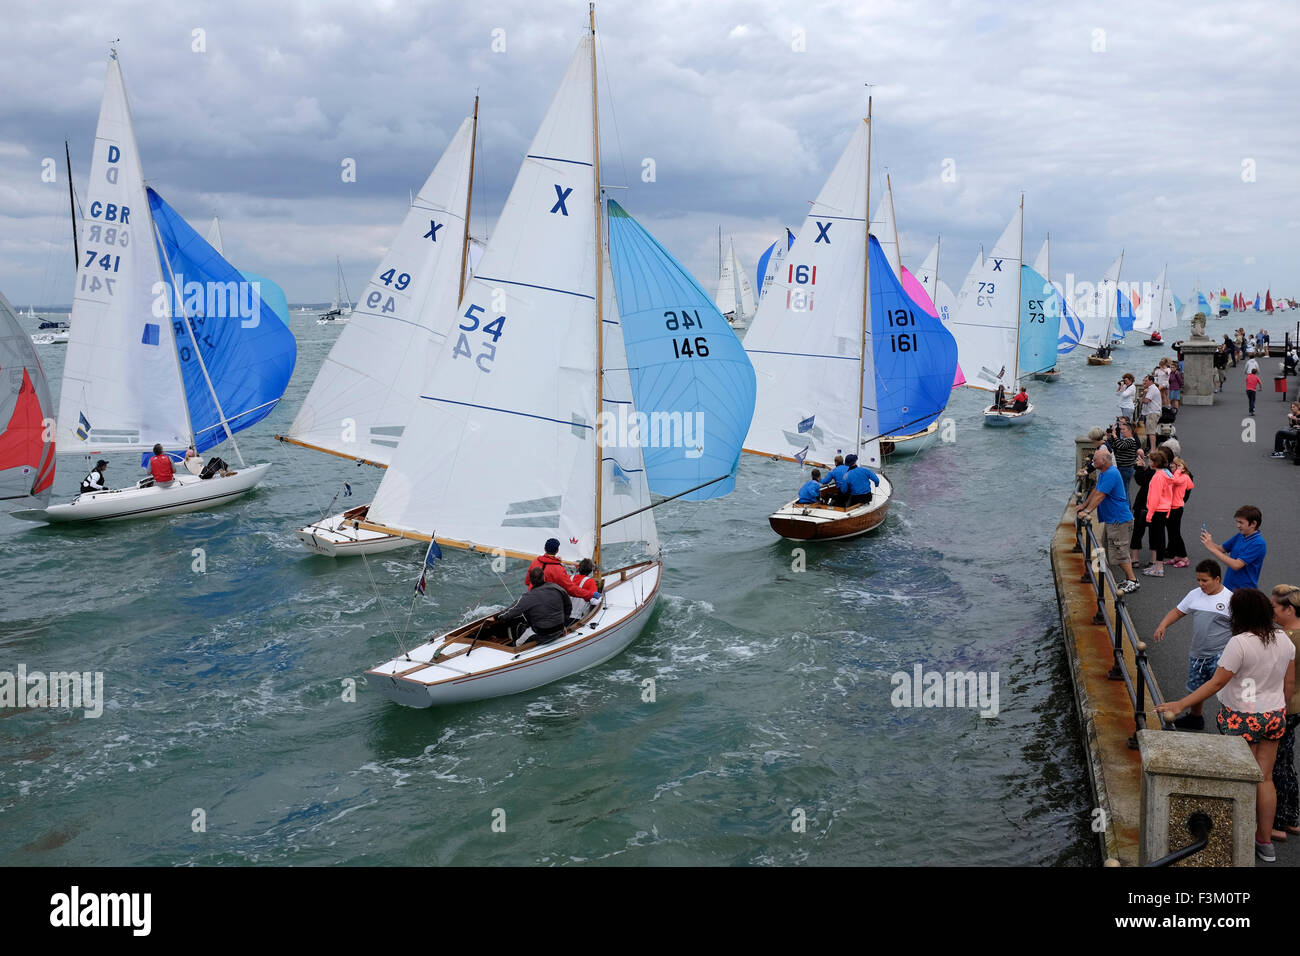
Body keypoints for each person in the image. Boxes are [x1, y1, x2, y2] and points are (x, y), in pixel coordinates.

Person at [1157, 589, 1295, 863]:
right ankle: (1264, 842)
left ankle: (1233, 838)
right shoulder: (1283, 639)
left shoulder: (1240, 643)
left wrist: (1181, 704)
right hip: (1274, 714)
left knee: (1238, 777)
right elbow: (1288, 684)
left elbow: (1216, 682)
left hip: (1241, 715)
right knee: (1265, 779)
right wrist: (1281, 711)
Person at [1151, 560, 1233, 729]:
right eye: (1198, 580)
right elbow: (1178, 611)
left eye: (1205, 580)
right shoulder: (1195, 594)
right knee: (1195, 689)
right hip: (1198, 653)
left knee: (1225, 690)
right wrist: (1163, 625)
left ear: (1217, 579)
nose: (1201, 584)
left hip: (1221, 653)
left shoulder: (1230, 600)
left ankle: (1230, 722)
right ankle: (1196, 718)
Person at [1076, 445, 1139, 594]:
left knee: (1120, 550)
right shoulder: (1104, 473)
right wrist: (1084, 505)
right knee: (1105, 547)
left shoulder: (1111, 473)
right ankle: (1101, 575)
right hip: (1113, 519)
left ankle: (1133, 580)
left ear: (1104, 461)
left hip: (1119, 520)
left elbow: (1101, 495)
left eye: (1095, 459)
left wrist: (1087, 511)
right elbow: (1096, 490)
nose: (1093, 461)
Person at [1270, 584, 1300, 842]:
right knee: (1286, 760)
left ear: (1288, 609)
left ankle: (1276, 821)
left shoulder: (1287, 638)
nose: (1271, 613)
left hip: (1284, 706)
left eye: (1274, 608)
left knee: (1275, 765)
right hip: (1296, 707)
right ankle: (1291, 817)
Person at [490, 566, 573, 646]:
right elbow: (568, 606)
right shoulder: (557, 588)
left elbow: (512, 611)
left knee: (516, 644)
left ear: (530, 581)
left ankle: (514, 645)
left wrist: (496, 618)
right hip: (559, 628)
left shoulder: (527, 597)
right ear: (544, 577)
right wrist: (564, 624)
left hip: (542, 633)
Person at [1201, 505, 1266, 590]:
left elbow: (1236, 565)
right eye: (1237, 522)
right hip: (1228, 587)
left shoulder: (1258, 543)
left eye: (1241, 522)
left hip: (1244, 591)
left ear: (1253, 523)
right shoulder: (1241, 535)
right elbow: (1221, 549)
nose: (1238, 525)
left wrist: (1212, 549)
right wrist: (1209, 541)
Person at [1141, 449, 1176, 577]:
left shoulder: (1157, 477)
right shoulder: (1165, 475)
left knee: (1158, 539)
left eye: (1150, 460)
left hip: (1157, 511)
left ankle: (1158, 567)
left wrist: (1150, 514)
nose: (1149, 461)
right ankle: (1157, 566)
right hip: (1163, 510)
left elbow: (1155, 498)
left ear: (1154, 463)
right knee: (1159, 538)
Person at [1161, 456, 1194, 568]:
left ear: (1182, 468)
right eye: (1171, 464)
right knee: (1171, 533)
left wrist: (1179, 471)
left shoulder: (1182, 477)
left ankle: (1184, 557)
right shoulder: (1184, 477)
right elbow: (1191, 485)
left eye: (1174, 465)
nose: (1171, 466)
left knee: (1175, 534)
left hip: (1176, 508)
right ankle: (1177, 556)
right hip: (1173, 507)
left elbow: (1173, 480)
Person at [1106, 419, 1139, 500]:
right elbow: (1114, 446)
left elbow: (1121, 446)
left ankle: (1126, 509)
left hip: (1125, 469)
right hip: (1122, 468)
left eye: (1124, 429)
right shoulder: (1125, 440)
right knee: (1122, 489)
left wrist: (1115, 435)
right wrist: (1110, 437)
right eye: (1121, 429)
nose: (1121, 431)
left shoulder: (1131, 440)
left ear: (1130, 431)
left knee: (1124, 490)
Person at [1139, 375, 1161, 452]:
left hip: (1152, 412)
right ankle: (1152, 449)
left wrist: (1144, 394)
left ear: (1151, 381)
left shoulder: (1152, 389)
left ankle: (1153, 450)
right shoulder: (1150, 389)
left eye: (1146, 380)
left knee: (1151, 432)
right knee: (1150, 431)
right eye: (1144, 380)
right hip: (1151, 412)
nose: (1144, 382)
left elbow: (1146, 401)